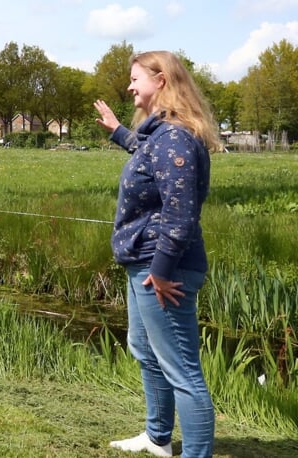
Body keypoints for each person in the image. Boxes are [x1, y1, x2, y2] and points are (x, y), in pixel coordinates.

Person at [93, 50, 222, 458]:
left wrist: (163, 271)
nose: (130, 86)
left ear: (161, 80)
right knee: (146, 351)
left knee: (182, 371)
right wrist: (117, 130)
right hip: (144, 264)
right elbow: (148, 156)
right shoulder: (160, 136)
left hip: (161, 268)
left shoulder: (176, 137)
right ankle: (157, 437)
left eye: (135, 78)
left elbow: (180, 214)